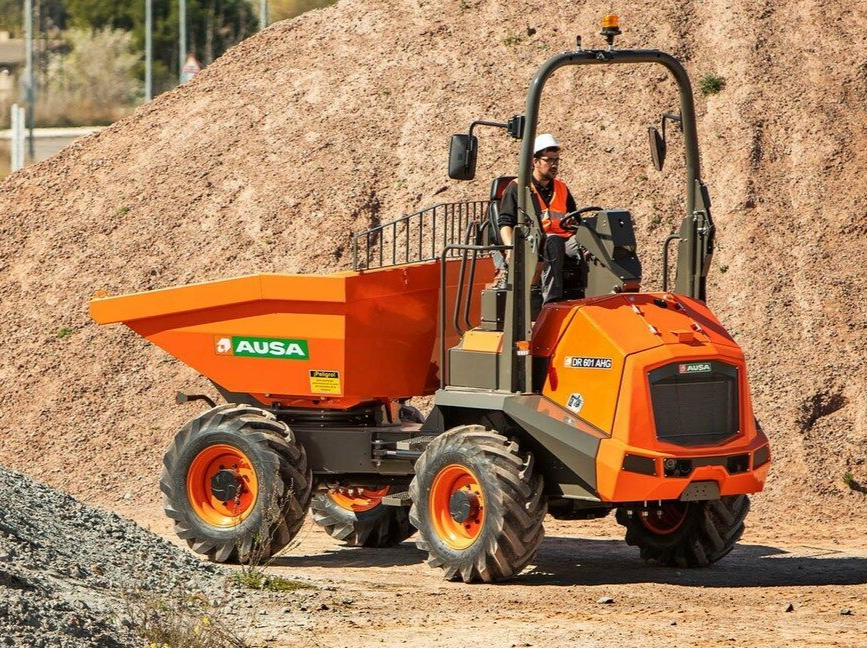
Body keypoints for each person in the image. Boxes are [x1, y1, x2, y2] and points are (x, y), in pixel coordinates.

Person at [497, 133, 580, 304]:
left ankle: (598, 297)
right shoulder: (518, 188)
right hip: (532, 243)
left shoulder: (562, 188)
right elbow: (505, 222)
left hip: (563, 239)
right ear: (535, 161)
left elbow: (575, 218)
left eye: (556, 160)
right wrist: (510, 249)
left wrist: (577, 225)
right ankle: (551, 302)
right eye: (549, 160)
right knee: (553, 242)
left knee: (590, 243)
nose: (554, 164)